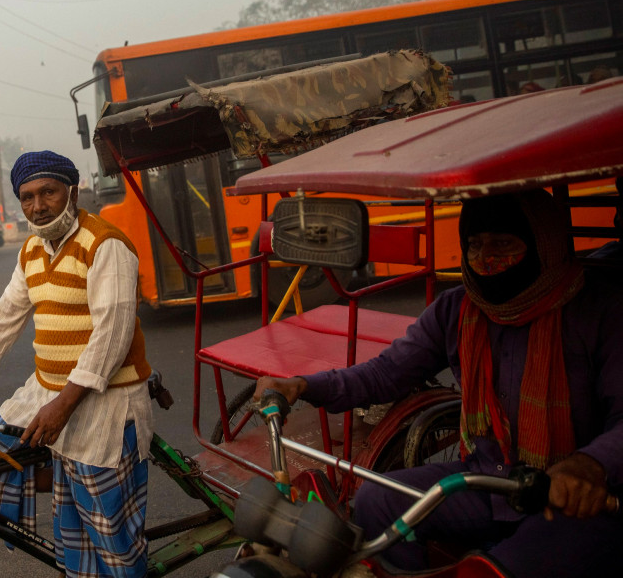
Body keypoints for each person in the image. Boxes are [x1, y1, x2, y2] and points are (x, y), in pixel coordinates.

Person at [255, 190, 623, 577]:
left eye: (502, 243)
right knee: (375, 500)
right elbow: (386, 373)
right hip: (488, 482)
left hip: (574, 502)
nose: (485, 258)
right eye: (475, 245)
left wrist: (588, 466)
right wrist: (301, 386)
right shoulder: (457, 309)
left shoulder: (601, 310)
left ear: (543, 245)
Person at [0, 150, 153, 578]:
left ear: (71, 192)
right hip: (48, 389)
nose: (38, 205)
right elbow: (6, 314)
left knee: (110, 531)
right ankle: (66, 480)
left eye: (48, 192)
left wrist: (63, 407)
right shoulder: (32, 250)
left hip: (105, 399)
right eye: (28, 197)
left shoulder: (104, 244)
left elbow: (111, 336)